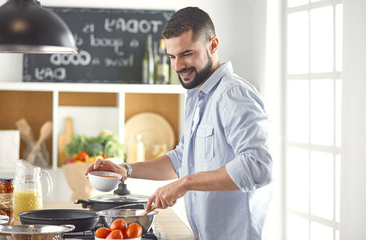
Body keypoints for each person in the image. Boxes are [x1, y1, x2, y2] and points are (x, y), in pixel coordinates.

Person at [86, 6, 273, 239]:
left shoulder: (233, 95)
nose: (177, 66)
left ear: (213, 45)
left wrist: (185, 183)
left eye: (186, 54)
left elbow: (258, 166)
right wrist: (127, 169)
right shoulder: (198, 96)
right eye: (172, 57)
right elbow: (182, 159)